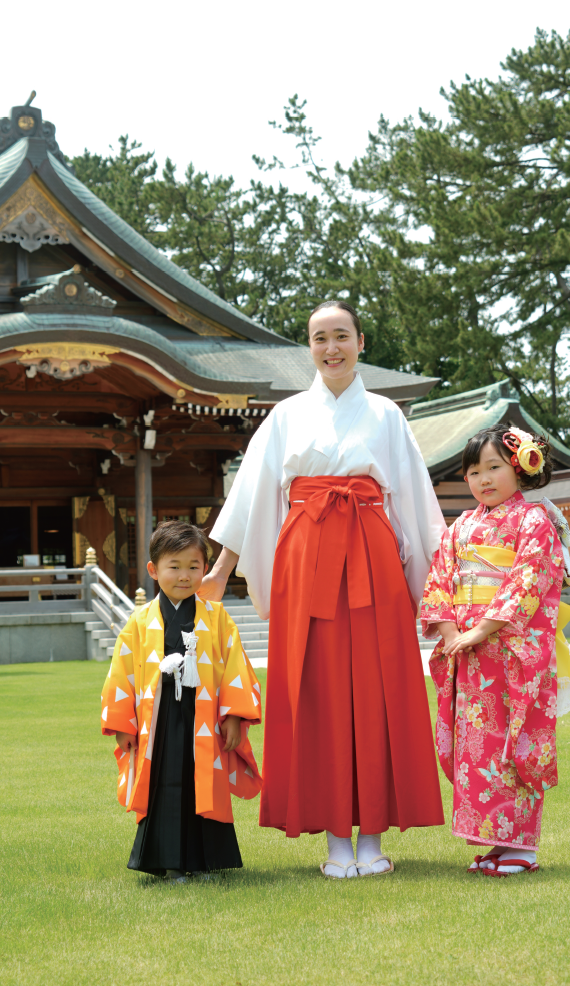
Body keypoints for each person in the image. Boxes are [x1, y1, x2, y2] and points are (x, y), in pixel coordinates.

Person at [201, 300, 446, 878]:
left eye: (341, 336)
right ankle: (337, 838)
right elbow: (253, 498)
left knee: (380, 687)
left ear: (361, 342)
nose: (331, 347)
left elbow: (414, 502)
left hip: (373, 552)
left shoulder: (387, 414)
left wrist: (438, 584)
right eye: (319, 338)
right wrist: (219, 568)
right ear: (307, 348)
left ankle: (373, 839)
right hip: (305, 558)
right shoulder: (286, 416)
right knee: (316, 691)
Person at [421, 424, 570, 878]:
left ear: (519, 467)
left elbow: (530, 579)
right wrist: (452, 632)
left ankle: (522, 848)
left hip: (510, 652)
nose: (483, 479)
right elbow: (440, 580)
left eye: (494, 467)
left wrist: (483, 629)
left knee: (513, 742)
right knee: (475, 747)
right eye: (473, 471)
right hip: (468, 653)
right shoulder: (461, 527)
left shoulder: (533, 521)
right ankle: (493, 840)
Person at [101, 521, 262, 882]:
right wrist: (122, 726)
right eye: (174, 567)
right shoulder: (140, 622)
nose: (184, 576)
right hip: (157, 722)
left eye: (194, 567)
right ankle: (169, 862)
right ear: (154, 570)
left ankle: (205, 862)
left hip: (201, 718)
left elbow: (234, 667)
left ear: (205, 569)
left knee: (203, 782)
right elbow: (121, 673)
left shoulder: (216, 618)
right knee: (166, 782)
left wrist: (234, 716)